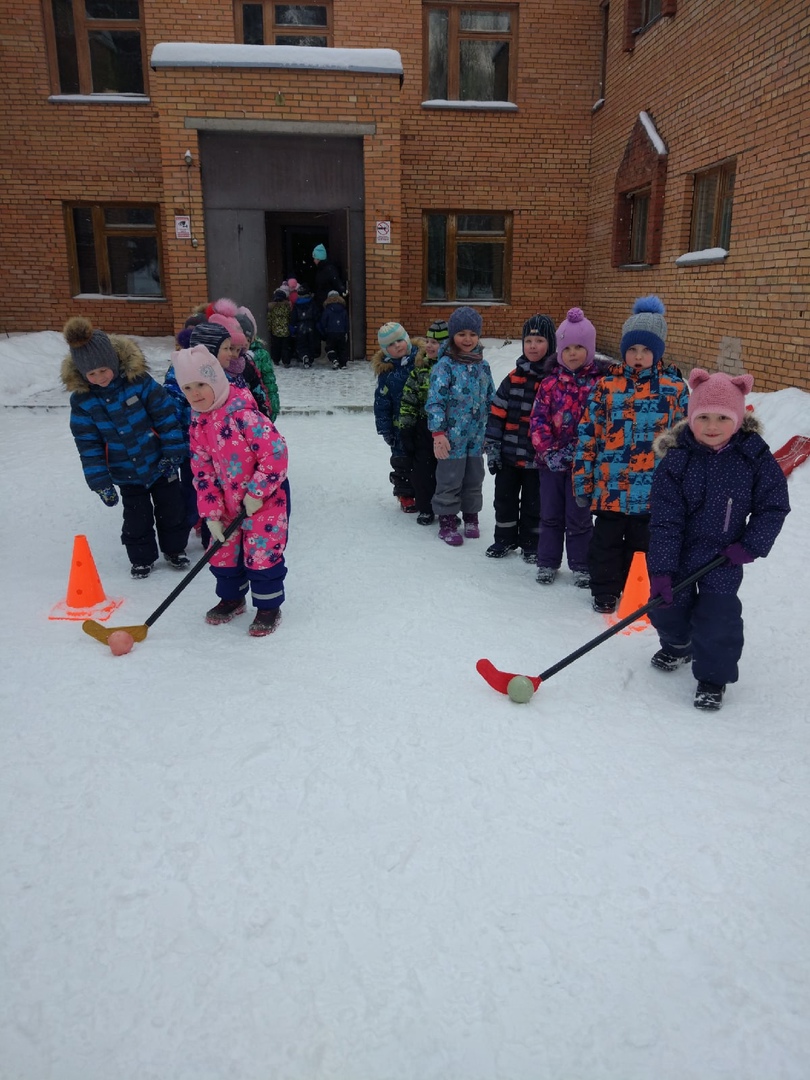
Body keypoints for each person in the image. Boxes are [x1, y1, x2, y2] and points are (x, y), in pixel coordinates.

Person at [646, 369, 790, 710]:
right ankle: (679, 646)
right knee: (667, 609)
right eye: (704, 417)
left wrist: (751, 545)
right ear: (691, 418)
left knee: (718, 617)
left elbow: (774, 505)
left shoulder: (753, 457)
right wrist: (663, 569)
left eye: (723, 417)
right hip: (680, 551)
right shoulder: (677, 460)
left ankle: (713, 677)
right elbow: (665, 520)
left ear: (738, 418)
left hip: (725, 555)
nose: (713, 426)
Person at [573, 296, 688, 613]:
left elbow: (685, 442)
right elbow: (588, 435)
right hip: (610, 488)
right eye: (632, 350)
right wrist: (583, 482)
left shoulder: (675, 389)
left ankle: (636, 590)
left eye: (646, 350)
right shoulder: (606, 386)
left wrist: (683, 488)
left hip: (654, 491)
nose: (638, 357)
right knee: (605, 544)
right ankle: (605, 591)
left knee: (644, 546)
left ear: (658, 352)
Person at [174, 343, 290, 637]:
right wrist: (210, 512)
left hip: (266, 501)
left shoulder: (243, 414)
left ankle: (267, 607)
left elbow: (275, 454)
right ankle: (232, 598)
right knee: (222, 552)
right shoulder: (198, 422)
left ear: (215, 379)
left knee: (262, 556)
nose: (196, 393)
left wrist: (256, 493)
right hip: (224, 502)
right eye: (187, 388)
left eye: (201, 383)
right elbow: (202, 470)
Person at [61, 316, 190, 579]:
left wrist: (173, 452)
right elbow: (88, 444)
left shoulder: (139, 382)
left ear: (113, 362)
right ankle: (142, 559)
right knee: (136, 518)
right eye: (92, 374)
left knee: (172, 510)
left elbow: (165, 417)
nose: (99, 378)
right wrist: (101, 482)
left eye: (103, 370)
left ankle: (175, 550)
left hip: (160, 463)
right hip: (125, 471)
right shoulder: (83, 401)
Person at [530, 308, 608, 585]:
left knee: (579, 517)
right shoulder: (549, 384)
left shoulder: (600, 385)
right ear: (559, 350)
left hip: (583, 466)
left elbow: (602, 424)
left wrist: (585, 454)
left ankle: (581, 564)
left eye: (579, 348)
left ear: (589, 349)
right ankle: (547, 562)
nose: (573, 354)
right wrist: (548, 451)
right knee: (550, 515)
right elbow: (537, 419)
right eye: (568, 348)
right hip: (550, 464)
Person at [484, 313, 556, 562]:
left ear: (551, 345)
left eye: (539, 340)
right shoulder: (512, 378)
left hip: (538, 460)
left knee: (534, 504)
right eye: (528, 341)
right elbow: (496, 415)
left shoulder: (553, 381)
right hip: (509, 455)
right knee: (504, 500)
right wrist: (493, 448)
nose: (533, 346)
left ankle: (530, 542)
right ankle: (504, 539)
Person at [426, 306, 495, 546]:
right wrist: (438, 433)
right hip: (451, 438)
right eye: (462, 334)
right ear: (453, 335)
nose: (468, 339)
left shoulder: (482, 366)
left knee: (474, 477)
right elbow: (435, 401)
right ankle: (447, 520)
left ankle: (471, 517)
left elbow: (490, 399)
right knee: (450, 478)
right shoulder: (444, 366)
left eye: (473, 334)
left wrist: (491, 431)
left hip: (476, 437)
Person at [397, 321, 448, 525]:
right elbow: (408, 400)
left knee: (446, 472)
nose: (429, 345)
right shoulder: (419, 371)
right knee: (423, 471)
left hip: (447, 430)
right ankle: (425, 507)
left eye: (436, 342)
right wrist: (406, 427)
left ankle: (447, 509)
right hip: (423, 427)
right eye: (428, 340)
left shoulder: (453, 370)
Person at [372, 322, 422, 511]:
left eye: (400, 340)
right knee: (402, 461)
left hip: (421, 422)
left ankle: (424, 492)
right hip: (399, 426)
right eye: (392, 345)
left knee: (423, 459)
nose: (398, 346)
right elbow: (382, 403)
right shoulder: (387, 374)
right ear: (386, 351)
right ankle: (406, 494)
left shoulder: (420, 362)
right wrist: (385, 429)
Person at [234, 305, 280, 421]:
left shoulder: (261, 354)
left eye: (248, 338)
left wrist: (273, 406)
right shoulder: (230, 359)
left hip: (258, 405)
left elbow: (269, 381)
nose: (244, 342)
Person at [289, 284, 321, 368]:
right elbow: (316, 314)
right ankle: (310, 358)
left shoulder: (296, 305)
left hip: (300, 326)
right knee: (311, 343)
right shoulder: (312, 303)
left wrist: (292, 327)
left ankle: (304, 356)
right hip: (311, 325)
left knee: (301, 344)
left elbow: (293, 317)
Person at [317, 290, 350, 370]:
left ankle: (334, 360)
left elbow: (323, 322)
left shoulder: (327, 310)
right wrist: (346, 331)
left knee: (330, 348)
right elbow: (346, 322)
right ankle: (343, 364)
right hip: (341, 332)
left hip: (330, 332)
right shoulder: (343, 310)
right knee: (342, 348)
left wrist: (323, 333)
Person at [311, 244, 344, 310]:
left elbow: (337, 284)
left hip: (328, 304)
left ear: (319, 258)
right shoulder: (322, 269)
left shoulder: (328, 270)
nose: (314, 260)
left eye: (315, 258)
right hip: (324, 303)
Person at [268, 288, 292, 369]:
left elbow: (269, 318)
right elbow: (290, 317)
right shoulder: (286, 307)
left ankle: (276, 359)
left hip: (275, 330)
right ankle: (286, 361)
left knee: (276, 346)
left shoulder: (272, 308)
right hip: (285, 330)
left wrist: (269, 327)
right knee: (285, 347)